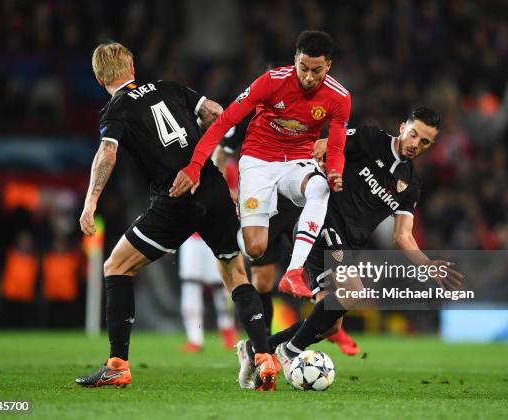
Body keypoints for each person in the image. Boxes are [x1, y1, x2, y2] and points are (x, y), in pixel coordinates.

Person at [75, 42, 278, 391]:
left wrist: (90, 201)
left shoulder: (116, 110)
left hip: (175, 198)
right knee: (234, 272)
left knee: (116, 267)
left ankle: (117, 365)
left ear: (99, 77)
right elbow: (215, 112)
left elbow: (107, 153)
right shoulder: (170, 88)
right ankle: (263, 356)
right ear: (132, 65)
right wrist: (202, 158)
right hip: (212, 188)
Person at [237, 107, 464, 383]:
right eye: (414, 134)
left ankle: (258, 348)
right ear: (404, 127)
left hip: (346, 244)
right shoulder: (372, 139)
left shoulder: (411, 184)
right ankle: (290, 351)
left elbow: (402, 235)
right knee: (353, 289)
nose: (416, 144)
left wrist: (427, 266)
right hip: (323, 224)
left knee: (330, 325)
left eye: (425, 142)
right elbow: (327, 144)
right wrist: (324, 164)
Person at [170, 30, 352, 300]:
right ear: (295, 60)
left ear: (329, 65)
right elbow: (224, 122)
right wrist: (195, 165)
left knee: (320, 187)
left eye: (317, 70)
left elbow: (335, 148)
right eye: (303, 68)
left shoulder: (339, 97)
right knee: (255, 248)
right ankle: (237, 218)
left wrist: (335, 172)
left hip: (297, 161)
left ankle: (293, 272)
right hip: (259, 160)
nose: (309, 77)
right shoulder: (271, 81)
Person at [220, 124, 359, 355]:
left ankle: (331, 324)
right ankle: (263, 343)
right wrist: (229, 189)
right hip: (267, 202)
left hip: (300, 199)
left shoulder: (310, 111)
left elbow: (336, 142)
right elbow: (223, 151)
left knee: (314, 270)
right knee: (263, 279)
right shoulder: (255, 118)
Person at [178, 233, 238, 353]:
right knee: (190, 285)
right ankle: (194, 339)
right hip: (190, 235)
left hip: (215, 233)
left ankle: (228, 329)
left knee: (221, 284)